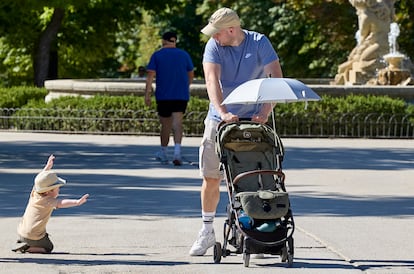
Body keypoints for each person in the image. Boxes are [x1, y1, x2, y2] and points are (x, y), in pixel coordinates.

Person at [189, 7, 283, 256]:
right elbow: (212, 80)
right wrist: (221, 112)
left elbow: (275, 76)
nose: (214, 37)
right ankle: (207, 230)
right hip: (220, 118)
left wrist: (265, 111)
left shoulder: (259, 42)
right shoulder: (214, 46)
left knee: (257, 176)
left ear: (231, 30)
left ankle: (257, 230)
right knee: (211, 177)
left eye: (217, 33)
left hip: (253, 119)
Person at [13, 154, 89, 254]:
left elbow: (40, 180)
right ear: (49, 191)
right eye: (58, 188)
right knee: (48, 247)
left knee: (44, 235)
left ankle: (28, 242)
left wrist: (47, 167)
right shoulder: (47, 201)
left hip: (21, 231)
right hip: (32, 235)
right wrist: (77, 202)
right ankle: (28, 248)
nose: (59, 190)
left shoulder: (35, 193)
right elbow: (61, 203)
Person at [145, 31, 194, 166]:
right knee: (178, 123)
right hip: (180, 95)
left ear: (163, 41)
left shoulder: (157, 55)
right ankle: (177, 152)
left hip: (163, 95)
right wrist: (185, 87)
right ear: (175, 41)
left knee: (165, 124)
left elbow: (150, 77)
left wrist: (147, 95)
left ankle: (164, 152)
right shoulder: (184, 55)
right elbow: (191, 74)